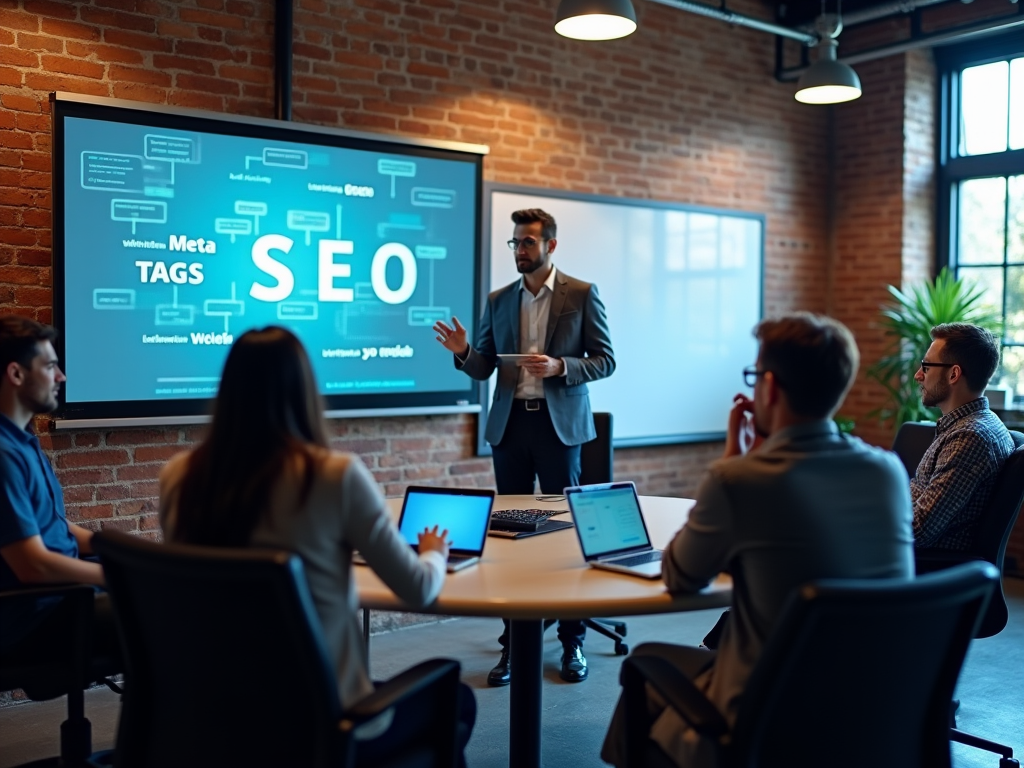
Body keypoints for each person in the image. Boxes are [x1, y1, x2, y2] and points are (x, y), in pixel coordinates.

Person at [601, 313, 914, 768]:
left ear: (769, 387)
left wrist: (730, 461)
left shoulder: (741, 480)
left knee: (646, 663)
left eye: (755, 375)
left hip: (770, 711)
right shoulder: (887, 471)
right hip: (871, 709)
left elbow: (681, 577)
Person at [159, 327, 475, 767]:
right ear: (305, 390)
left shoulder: (178, 477)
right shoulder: (335, 475)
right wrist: (434, 552)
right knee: (457, 700)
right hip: (324, 726)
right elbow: (419, 589)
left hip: (217, 719)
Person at [433, 207, 615, 685]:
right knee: (510, 538)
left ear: (550, 246)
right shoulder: (498, 299)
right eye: (515, 242)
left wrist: (561, 367)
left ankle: (572, 641)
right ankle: (513, 645)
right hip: (510, 428)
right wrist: (463, 353)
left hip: (559, 430)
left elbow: (606, 360)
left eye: (528, 242)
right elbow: (484, 367)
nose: (519, 250)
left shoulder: (581, 294)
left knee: (566, 536)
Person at [0, 316, 118, 678]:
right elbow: (33, 564)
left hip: (63, 600)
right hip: (35, 617)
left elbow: (50, 522)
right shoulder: (3, 454)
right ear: (17, 374)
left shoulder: (22, 441)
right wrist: (112, 576)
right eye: (50, 366)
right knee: (167, 608)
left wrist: (117, 550)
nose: (61, 377)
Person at [911, 323, 1015, 551]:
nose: (918, 375)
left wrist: (874, 507)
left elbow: (918, 531)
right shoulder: (965, 426)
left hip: (926, 567)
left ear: (954, 374)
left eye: (926, 367)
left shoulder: (969, 438)